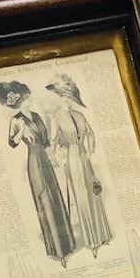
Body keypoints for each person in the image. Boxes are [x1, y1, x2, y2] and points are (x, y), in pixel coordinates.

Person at [0, 79, 74, 267]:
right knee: (44, 200)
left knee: (55, 197)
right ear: (20, 101)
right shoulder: (16, 120)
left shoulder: (36, 116)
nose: (31, 100)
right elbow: (12, 143)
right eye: (28, 98)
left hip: (45, 160)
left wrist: (56, 159)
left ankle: (67, 244)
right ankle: (57, 250)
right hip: (34, 161)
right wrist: (20, 131)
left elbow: (46, 142)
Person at [45, 74, 113, 258]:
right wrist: (61, 160)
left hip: (84, 156)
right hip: (72, 158)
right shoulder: (56, 117)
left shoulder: (80, 115)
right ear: (59, 99)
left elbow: (90, 133)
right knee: (81, 197)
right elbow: (53, 142)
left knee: (93, 193)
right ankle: (91, 240)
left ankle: (101, 235)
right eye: (63, 97)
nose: (67, 101)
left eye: (69, 97)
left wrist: (90, 150)